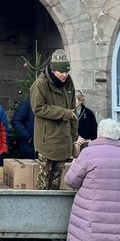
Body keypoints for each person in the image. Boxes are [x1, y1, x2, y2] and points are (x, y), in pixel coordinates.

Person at [31, 49, 78, 190]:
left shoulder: (69, 84)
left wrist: (73, 137)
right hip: (47, 142)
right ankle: (42, 211)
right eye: (61, 72)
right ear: (53, 70)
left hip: (63, 141)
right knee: (44, 182)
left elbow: (73, 113)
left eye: (67, 71)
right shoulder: (40, 84)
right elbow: (38, 108)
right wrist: (64, 113)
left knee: (56, 183)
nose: (65, 75)